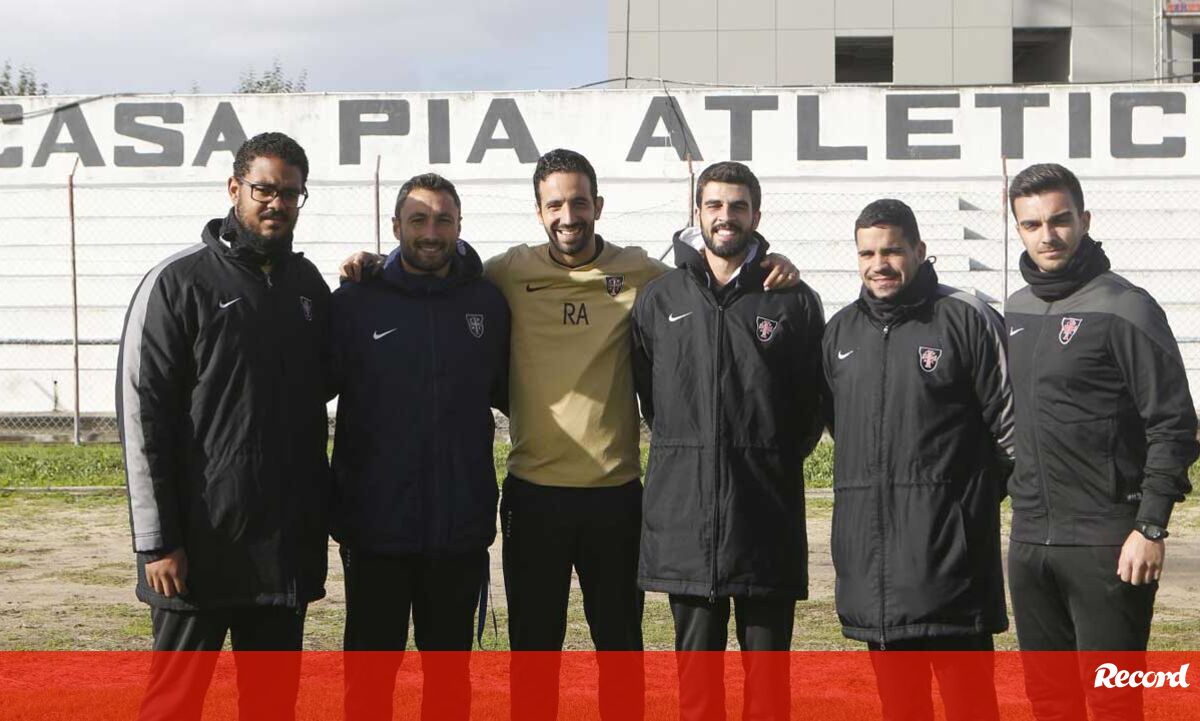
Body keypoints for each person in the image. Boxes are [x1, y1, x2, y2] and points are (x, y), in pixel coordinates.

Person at [340, 149, 801, 721]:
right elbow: (441, 266)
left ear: (597, 206)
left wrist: (767, 260)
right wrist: (375, 264)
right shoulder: (507, 274)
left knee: (620, 653)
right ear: (538, 211)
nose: (567, 216)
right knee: (535, 655)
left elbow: (713, 275)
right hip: (534, 497)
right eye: (554, 204)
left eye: (578, 203)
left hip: (616, 497)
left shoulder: (641, 274)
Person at [116, 132, 331, 721]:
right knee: (173, 706)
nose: (277, 203)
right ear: (235, 188)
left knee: (271, 706)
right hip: (197, 551)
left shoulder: (308, 287)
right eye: (264, 189)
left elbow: (336, 378)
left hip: (280, 551)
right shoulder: (178, 282)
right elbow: (142, 418)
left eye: (290, 193)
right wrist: (157, 542)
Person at [630, 161, 826, 721]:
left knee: (768, 693)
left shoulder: (791, 299)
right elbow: (652, 400)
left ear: (756, 215)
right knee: (697, 695)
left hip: (765, 520)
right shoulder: (659, 298)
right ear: (697, 211)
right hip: (687, 525)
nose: (725, 216)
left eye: (738, 206)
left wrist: (763, 458)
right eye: (714, 205)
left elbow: (809, 407)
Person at [1005, 163, 1198, 721]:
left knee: (1113, 701)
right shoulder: (1015, 308)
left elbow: (1174, 424)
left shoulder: (1126, 306)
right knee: (1049, 701)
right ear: (1018, 229)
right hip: (1030, 540)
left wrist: (1150, 525)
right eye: (1032, 224)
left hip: (1109, 541)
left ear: (1085, 220)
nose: (1048, 235)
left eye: (1060, 220)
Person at [822, 198, 1013, 721]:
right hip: (876, 577)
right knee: (900, 709)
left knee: (972, 709)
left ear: (919, 250)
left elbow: (1011, 429)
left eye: (892, 251)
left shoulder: (966, 317)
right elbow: (845, 430)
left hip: (951, 569)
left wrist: (961, 504)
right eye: (867, 253)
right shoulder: (840, 332)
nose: (879, 264)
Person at [329, 173, 510, 721]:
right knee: (369, 684)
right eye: (418, 220)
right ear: (395, 227)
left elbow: (512, 391)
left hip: (458, 531)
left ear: (459, 225)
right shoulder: (355, 301)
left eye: (443, 220)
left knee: (449, 686)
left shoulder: (487, 303)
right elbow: (308, 388)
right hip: (375, 530)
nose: (431, 232)